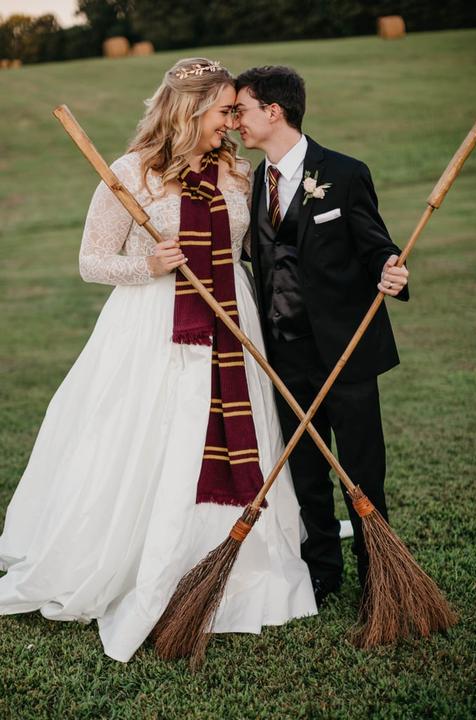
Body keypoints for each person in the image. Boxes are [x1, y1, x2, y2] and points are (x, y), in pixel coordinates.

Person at [0, 58, 317, 663]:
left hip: (231, 319)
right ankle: (138, 560)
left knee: (232, 436)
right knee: (156, 440)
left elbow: (261, 250)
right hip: (153, 326)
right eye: (224, 110)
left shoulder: (236, 171)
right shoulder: (129, 174)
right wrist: (148, 264)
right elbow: (92, 261)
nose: (232, 122)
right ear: (190, 109)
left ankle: (234, 561)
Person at [234, 65, 409, 604]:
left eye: (241, 109)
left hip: (345, 352)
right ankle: (322, 573)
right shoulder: (250, 184)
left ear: (273, 111)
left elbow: (376, 245)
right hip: (283, 353)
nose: (236, 121)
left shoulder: (345, 172)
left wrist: (392, 269)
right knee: (305, 473)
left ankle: (378, 578)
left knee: (363, 472)